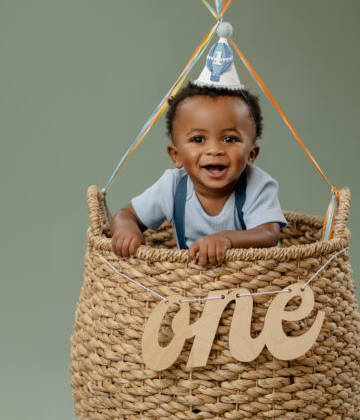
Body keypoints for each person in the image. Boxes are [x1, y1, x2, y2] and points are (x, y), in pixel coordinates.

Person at [110, 25, 286, 267]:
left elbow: (269, 234)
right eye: (198, 139)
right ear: (176, 155)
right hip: (193, 290)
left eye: (230, 139)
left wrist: (226, 239)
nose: (214, 150)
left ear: (251, 155)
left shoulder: (258, 185)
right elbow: (125, 214)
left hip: (255, 286)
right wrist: (126, 230)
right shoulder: (172, 186)